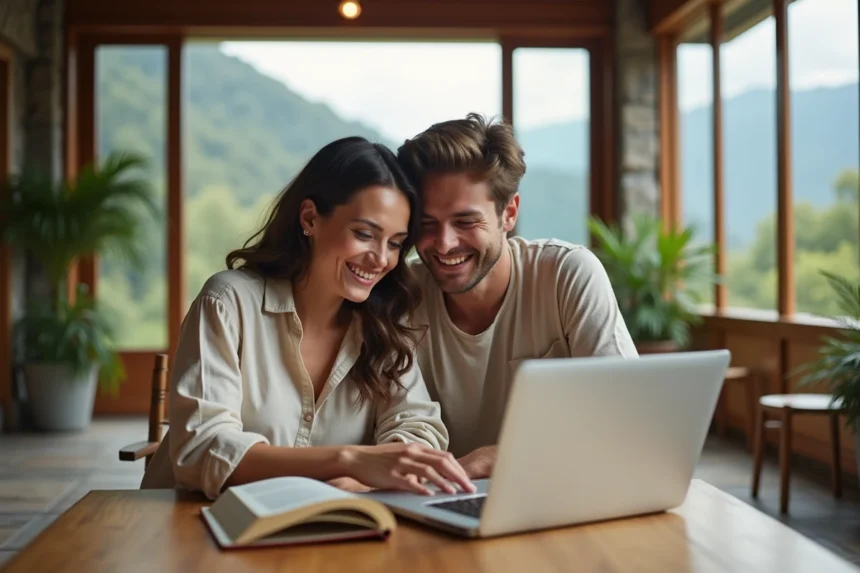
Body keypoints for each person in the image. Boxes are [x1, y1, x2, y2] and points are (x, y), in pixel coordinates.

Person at [141, 137, 475, 500]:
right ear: (310, 219)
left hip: (313, 532)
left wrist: (364, 479)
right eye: (364, 234)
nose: (380, 259)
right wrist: (348, 460)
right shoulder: (227, 302)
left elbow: (418, 426)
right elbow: (202, 450)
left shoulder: (384, 321)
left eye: (395, 243)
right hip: (189, 526)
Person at [396, 113, 638, 479]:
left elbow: (627, 415)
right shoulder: (403, 296)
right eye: (426, 225)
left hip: (565, 488)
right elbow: (403, 421)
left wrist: (497, 457)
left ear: (508, 213)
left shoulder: (566, 275)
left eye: (466, 222)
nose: (444, 244)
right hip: (448, 498)